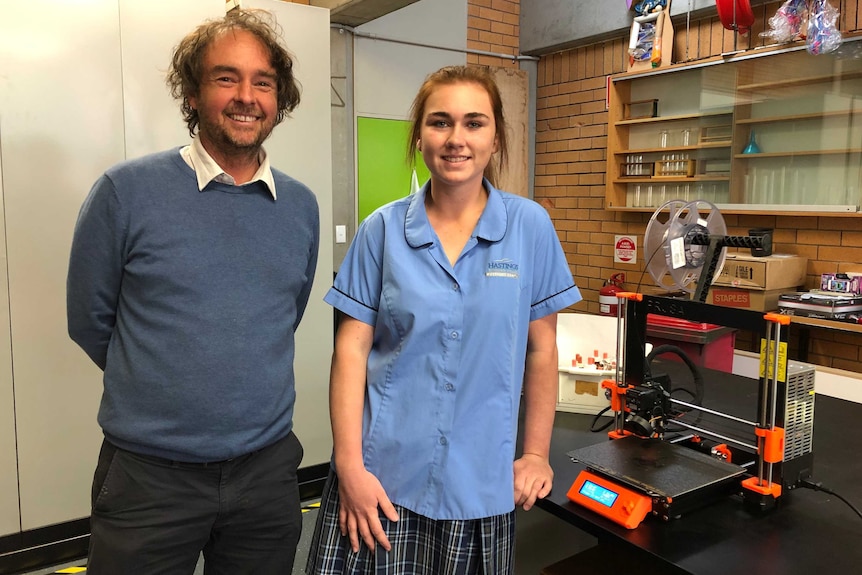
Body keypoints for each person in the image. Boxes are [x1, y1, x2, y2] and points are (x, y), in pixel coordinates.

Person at [66, 9, 319, 575]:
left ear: (280, 98)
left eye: (263, 82)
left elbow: (284, 315)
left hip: (267, 475)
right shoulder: (125, 192)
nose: (246, 96)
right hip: (149, 481)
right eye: (226, 77)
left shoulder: (299, 206)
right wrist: (163, 382)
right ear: (193, 92)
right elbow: (90, 319)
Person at [306, 65, 582, 575]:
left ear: (496, 136)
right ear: (419, 136)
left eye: (474, 123)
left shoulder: (530, 227)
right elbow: (350, 351)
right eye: (440, 122)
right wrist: (349, 467)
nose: (456, 139)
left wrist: (537, 454)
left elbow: (541, 349)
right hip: (381, 481)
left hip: (481, 483)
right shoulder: (382, 230)